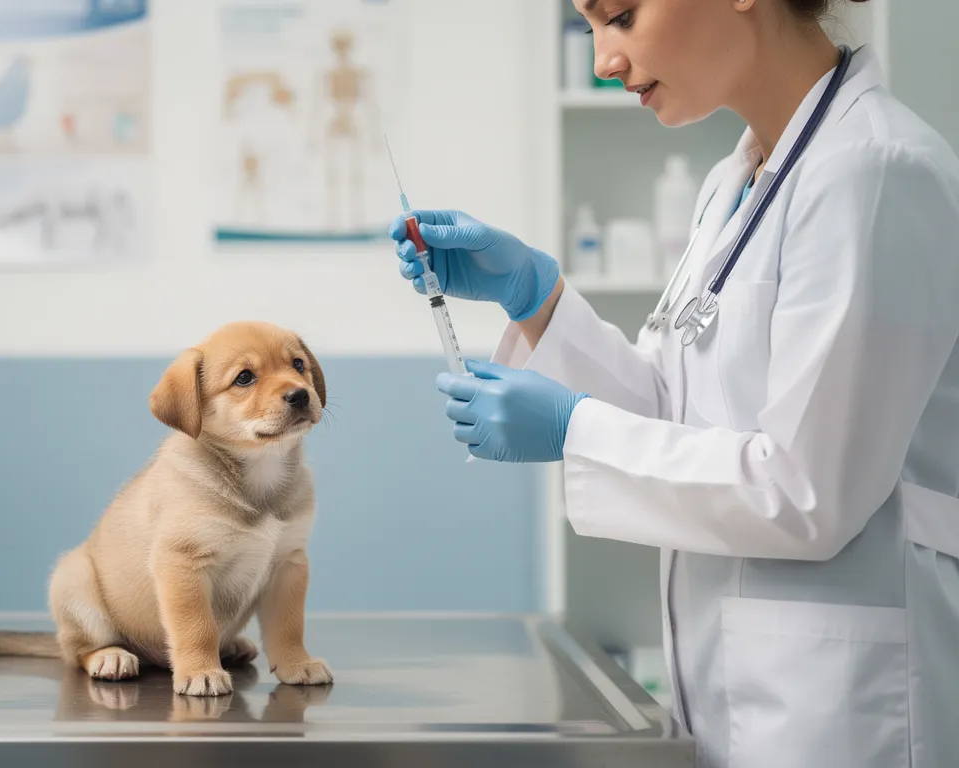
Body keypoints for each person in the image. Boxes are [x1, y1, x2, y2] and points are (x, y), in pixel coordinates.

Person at [390, 1, 959, 767]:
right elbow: (679, 416)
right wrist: (536, 299)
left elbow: (806, 493)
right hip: (740, 698)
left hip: (844, 714)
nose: (604, 60)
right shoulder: (737, 180)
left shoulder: (875, 171)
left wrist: (574, 428)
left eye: (619, 15)